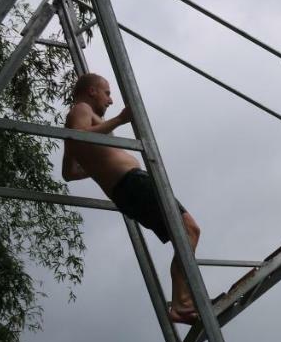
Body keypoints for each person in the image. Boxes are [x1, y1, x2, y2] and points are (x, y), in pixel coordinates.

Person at [63, 73, 203, 323]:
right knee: (189, 229)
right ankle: (181, 303)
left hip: (126, 188)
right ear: (92, 91)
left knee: (187, 232)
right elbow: (79, 135)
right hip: (132, 182)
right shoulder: (81, 109)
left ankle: (183, 300)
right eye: (107, 93)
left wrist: (100, 165)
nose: (110, 100)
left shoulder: (80, 119)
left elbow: (70, 172)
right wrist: (119, 120)